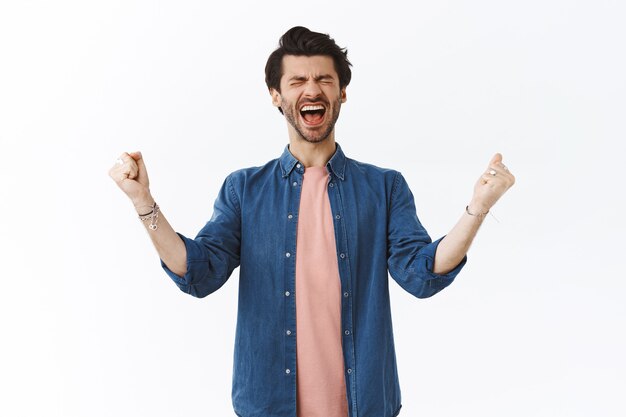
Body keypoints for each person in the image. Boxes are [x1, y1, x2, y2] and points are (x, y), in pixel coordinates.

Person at [109, 26, 515, 417]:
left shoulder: (384, 187)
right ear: (275, 95)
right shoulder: (244, 190)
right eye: (297, 80)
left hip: (365, 402)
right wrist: (145, 203)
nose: (312, 89)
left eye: (324, 79)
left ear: (342, 93)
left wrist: (477, 207)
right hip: (268, 403)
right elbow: (198, 272)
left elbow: (421, 274)